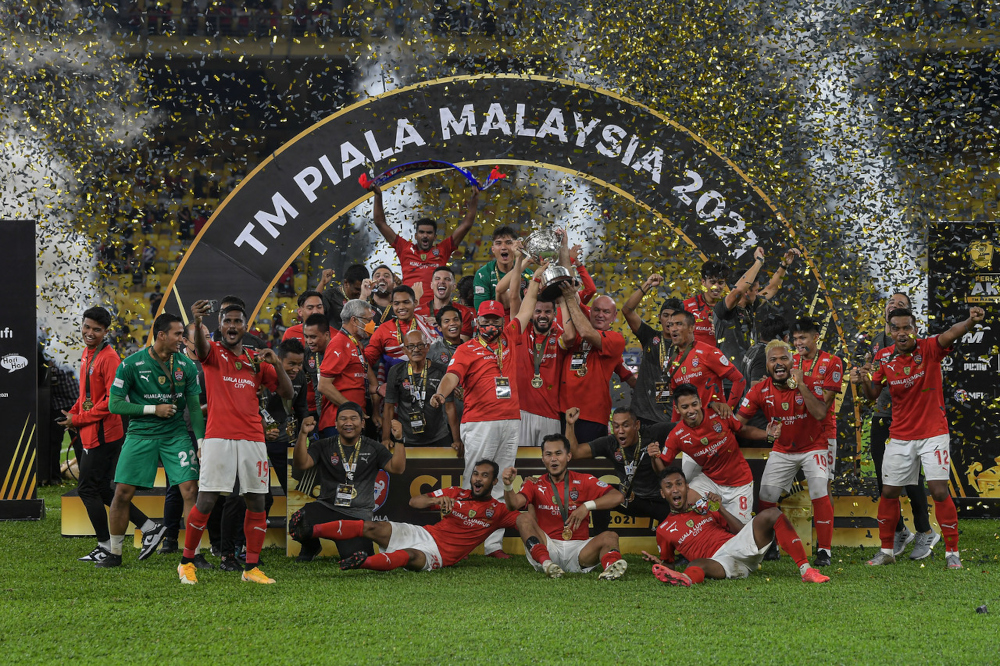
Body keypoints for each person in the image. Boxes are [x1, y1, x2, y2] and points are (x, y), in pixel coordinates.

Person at [429, 261, 546, 557]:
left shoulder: (510, 335)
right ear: (476, 323)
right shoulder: (466, 349)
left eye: (495, 320)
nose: (491, 326)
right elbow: (451, 377)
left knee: (500, 482)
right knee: (472, 483)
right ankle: (460, 538)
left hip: (510, 421)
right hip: (479, 423)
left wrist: (537, 278)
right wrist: (441, 394)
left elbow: (528, 306)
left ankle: (492, 545)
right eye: (486, 322)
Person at [854, 305, 984, 570]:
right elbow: (872, 394)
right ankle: (887, 550)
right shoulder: (884, 357)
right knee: (889, 492)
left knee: (938, 490)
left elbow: (950, 334)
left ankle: (952, 553)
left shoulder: (928, 348)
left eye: (906, 328)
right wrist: (862, 380)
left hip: (933, 433)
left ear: (915, 329)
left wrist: (970, 321)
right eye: (896, 328)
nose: (902, 333)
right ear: (889, 331)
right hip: (900, 435)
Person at [177, 301, 293, 585]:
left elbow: (287, 392)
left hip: (253, 438)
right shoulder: (213, 353)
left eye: (237, 321)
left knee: (255, 501)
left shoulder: (256, 359)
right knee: (206, 500)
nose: (232, 326)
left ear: (245, 326)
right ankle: (186, 562)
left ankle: (251, 568)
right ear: (220, 324)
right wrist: (196, 320)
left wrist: (276, 362)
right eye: (227, 321)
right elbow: (201, 348)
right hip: (218, 437)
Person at [56, 307, 161, 565]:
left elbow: (112, 401)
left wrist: (78, 419)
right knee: (101, 488)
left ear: (106, 332)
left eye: (96, 330)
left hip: (105, 434)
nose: (90, 333)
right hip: (89, 431)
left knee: (87, 488)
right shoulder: (87, 353)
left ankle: (105, 544)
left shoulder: (110, 358)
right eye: (87, 327)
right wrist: (73, 413)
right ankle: (149, 527)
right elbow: (87, 396)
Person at [99, 313, 204, 568]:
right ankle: (115, 553)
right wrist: (152, 409)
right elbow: (114, 404)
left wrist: (201, 444)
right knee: (122, 493)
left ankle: (194, 554)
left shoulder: (187, 366)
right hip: (140, 433)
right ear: (161, 335)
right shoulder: (131, 364)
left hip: (176, 434)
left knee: (190, 491)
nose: (182, 339)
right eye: (178, 334)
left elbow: (194, 407)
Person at [303, 459, 519, 572]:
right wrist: (436, 501)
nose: (478, 479)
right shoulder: (455, 493)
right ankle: (312, 530)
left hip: (441, 555)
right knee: (372, 527)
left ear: (494, 482)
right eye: (475, 474)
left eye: (485, 476)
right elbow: (414, 502)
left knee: (409, 556)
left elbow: (523, 519)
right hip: (425, 534)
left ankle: (363, 563)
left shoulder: (498, 510)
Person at [641, 467, 829, 585]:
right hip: (719, 563)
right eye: (669, 486)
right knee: (696, 564)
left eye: (679, 484)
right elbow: (669, 563)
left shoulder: (705, 507)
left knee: (772, 514)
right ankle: (687, 580)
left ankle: (806, 571)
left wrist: (720, 509)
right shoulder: (663, 530)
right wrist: (660, 564)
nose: (675, 489)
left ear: (687, 487)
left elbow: (740, 531)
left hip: (739, 545)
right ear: (662, 493)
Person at [736, 340, 834, 567]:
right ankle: (772, 545)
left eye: (783, 359)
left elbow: (820, 414)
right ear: (767, 366)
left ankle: (824, 551)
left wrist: (800, 385)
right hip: (782, 448)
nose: (779, 363)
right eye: (773, 360)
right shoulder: (758, 390)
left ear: (793, 362)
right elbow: (738, 425)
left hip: (813, 446)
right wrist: (765, 434)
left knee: (819, 488)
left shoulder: (809, 382)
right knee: (766, 496)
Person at [863, 292, 935, 559]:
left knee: (913, 480)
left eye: (900, 304)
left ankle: (925, 532)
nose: (894, 307)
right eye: (890, 304)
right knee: (886, 481)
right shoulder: (877, 343)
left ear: (910, 320)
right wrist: (865, 373)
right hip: (883, 415)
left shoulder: (920, 345)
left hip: (912, 419)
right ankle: (900, 531)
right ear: (886, 316)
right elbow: (873, 380)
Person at [288, 403, 406, 561]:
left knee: (358, 557)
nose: (348, 423)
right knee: (298, 521)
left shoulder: (373, 447)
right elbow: (301, 464)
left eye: (353, 419)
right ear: (336, 424)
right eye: (343, 419)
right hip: (327, 507)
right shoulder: (324, 445)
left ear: (362, 423)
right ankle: (311, 547)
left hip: (357, 515)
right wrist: (302, 434)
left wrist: (399, 440)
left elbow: (397, 469)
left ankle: (353, 545)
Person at [501, 434, 628, 580]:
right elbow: (513, 505)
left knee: (610, 537)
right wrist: (508, 485)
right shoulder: (534, 484)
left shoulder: (584, 480)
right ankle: (546, 563)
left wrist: (586, 506)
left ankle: (610, 569)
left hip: (580, 551)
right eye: (548, 454)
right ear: (543, 458)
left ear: (568, 456)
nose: (553, 458)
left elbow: (618, 497)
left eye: (558, 453)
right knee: (523, 518)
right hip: (548, 546)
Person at [651, 383, 775, 522]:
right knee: (684, 501)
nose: (691, 410)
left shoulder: (720, 413)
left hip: (740, 483)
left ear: (700, 402)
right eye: (685, 407)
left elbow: (743, 430)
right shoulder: (676, 435)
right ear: (677, 409)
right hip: (710, 481)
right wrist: (654, 457)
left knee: (739, 532)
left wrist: (768, 435)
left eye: (694, 404)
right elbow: (662, 471)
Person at [565, 406, 673, 532]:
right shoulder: (610, 443)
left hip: (660, 501)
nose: (620, 431)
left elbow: (684, 426)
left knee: (670, 532)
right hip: (631, 500)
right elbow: (575, 453)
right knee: (601, 492)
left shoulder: (653, 432)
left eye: (625, 425)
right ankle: (601, 541)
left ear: (637, 425)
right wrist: (570, 424)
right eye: (616, 426)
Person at [370, 183, 478, 308]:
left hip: (436, 311)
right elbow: (380, 223)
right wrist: (378, 195)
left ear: (435, 237)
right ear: (416, 236)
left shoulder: (443, 249)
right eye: (421, 232)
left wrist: (475, 197)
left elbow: (466, 225)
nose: (425, 236)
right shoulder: (404, 248)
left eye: (429, 233)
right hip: (409, 309)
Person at [558, 283, 627, 442]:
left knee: (588, 465)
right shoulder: (575, 335)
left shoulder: (616, 339)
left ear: (614, 316)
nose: (600, 315)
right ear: (590, 312)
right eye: (596, 310)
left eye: (606, 311)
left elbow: (586, 331)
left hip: (592, 416)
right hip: (563, 411)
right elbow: (575, 302)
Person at [713, 247, 799, 369]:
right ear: (747, 291)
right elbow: (738, 290)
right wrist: (758, 262)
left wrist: (784, 265)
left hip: (745, 373)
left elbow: (772, 288)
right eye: (757, 290)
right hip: (728, 377)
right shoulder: (725, 308)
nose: (758, 293)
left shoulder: (750, 305)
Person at [620, 274, 684, 426]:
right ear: (659, 317)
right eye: (666, 315)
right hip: (641, 414)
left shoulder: (687, 346)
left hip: (669, 418)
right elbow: (627, 310)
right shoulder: (650, 336)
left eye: (674, 317)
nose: (669, 321)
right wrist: (647, 284)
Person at [663, 308, 745, 422]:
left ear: (692, 328)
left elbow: (739, 380)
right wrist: (674, 426)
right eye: (671, 325)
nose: (673, 329)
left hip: (715, 425)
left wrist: (729, 408)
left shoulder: (708, 352)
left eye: (679, 324)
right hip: (692, 428)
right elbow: (676, 399)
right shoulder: (672, 362)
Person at [791, 317, 844, 493]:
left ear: (815, 337)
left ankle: (825, 521)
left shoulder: (832, 362)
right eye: (795, 338)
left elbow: (822, 410)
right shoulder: (790, 360)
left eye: (803, 338)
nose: (798, 343)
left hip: (823, 433)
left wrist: (801, 383)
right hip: (794, 433)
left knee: (821, 487)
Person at [515, 293, 575, 448]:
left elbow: (571, 337)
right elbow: (514, 297)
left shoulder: (558, 333)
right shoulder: (521, 332)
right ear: (531, 313)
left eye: (548, 312)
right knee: (521, 466)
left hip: (550, 414)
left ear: (554, 314)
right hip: (522, 412)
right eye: (538, 311)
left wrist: (562, 302)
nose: (542, 316)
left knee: (549, 465)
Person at [383, 330, 458, 448]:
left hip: (438, 436)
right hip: (406, 436)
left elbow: (449, 407)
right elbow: (388, 407)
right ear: (404, 350)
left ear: (427, 347)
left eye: (420, 345)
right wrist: (386, 438)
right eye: (411, 346)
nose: (416, 349)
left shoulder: (441, 371)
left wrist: (456, 439)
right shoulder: (396, 371)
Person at [318, 300, 376, 438]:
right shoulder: (339, 343)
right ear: (354, 320)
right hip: (338, 422)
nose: (372, 324)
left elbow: (371, 380)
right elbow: (323, 385)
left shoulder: (356, 345)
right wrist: (352, 409)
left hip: (353, 421)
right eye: (368, 320)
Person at [473, 225, 523, 311]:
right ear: (493, 249)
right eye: (498, 243)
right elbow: (480, 309)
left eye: (508, 243)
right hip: (493, 322)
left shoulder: (527, 273)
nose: (503, 247)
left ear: (516, 246)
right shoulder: (483, 274)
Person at [417, 265, 474, 338]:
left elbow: (462, 344)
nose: (441, 281)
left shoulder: (464, 312)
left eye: (447, 279)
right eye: (437, 278)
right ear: (431, 285)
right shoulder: (418, 313)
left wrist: (443, 325)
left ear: (453, 286)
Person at [684, 260, 730, 347]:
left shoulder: (730, 308)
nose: (716, 287)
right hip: (695, 358)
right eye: (712, 282)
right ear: (703, 282)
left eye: (720, 283)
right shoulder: (686, 306)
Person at [318, 264, 372, 331]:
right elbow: (314, 312)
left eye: (363, 288)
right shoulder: (330, 297)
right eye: (357, 289)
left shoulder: (368, 297)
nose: (361, 292)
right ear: (346, 283)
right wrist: (322, 283)